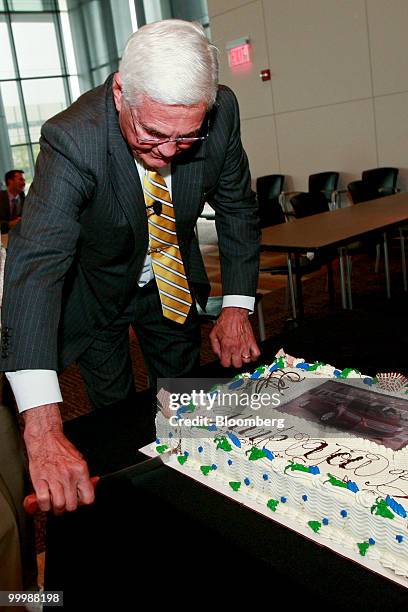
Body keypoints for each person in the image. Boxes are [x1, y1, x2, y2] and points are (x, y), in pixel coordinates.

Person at [0, 20, 260, 514]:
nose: (166, 154)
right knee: (114, 412)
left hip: (173, 283)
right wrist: (41, 423)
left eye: (186, 139)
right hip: (98, 292)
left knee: (185, 399)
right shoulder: (73, 139)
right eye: (153, 134)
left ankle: (198, 497)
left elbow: (237, 208)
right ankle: (136, 509)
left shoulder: (221, 111)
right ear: (120, 92)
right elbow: (35, 266)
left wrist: (236, 306)